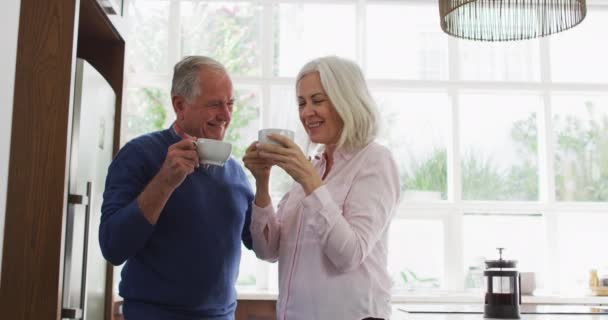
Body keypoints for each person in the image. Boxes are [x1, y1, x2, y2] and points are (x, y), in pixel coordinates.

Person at [243, 56, 401, 320]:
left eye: (318, 100)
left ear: (346, 100)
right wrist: (262, 182)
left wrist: (308, 180)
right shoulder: (312, 166)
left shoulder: (375, 161)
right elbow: (267, 250)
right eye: (302, 103)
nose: (306, 112)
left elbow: (348, 255)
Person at [100, 56, 253, 320]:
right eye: (215, 104)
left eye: (230, 104)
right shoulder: (139, 155)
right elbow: (113, 247)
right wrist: (164, 182)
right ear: (180, 105)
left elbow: (264, 246)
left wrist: (265, 182)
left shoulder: (236, 172)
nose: (226, 116)